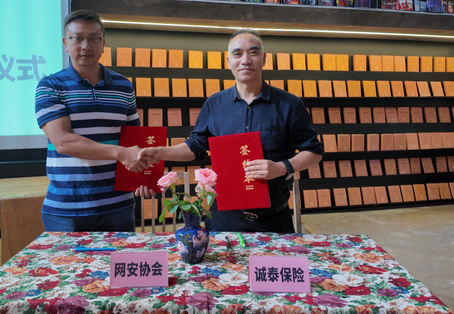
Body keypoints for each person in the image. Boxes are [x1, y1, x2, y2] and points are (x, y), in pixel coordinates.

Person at [138, 29, 323, 233]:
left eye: (253, 52)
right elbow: (195, 146)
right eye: (237, 54)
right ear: (228, 62)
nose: (245, 60)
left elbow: (314, 152)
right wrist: (159, 152)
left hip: (273, 219)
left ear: (264, 59)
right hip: (223, 218)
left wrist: (281, 167)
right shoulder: (214, 104)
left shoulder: (290, 104)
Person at [35, 9, 157, 232]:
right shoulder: (50, 86)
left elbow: (134, 140)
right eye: (78, 38)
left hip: (119, 206)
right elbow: (63, 142)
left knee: (120, 257)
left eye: (93, 39)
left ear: (103, 44)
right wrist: (120, 153)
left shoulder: (123, 86)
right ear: (65, 43)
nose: (86, 46)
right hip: (67, 208)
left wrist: (144, 177)